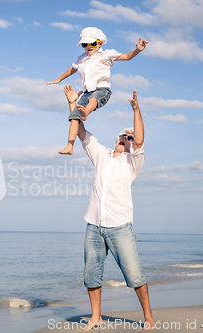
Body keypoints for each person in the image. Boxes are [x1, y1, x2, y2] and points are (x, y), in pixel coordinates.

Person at [62, 84, 155, 330]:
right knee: (91, 275)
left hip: (120, 226)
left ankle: (148, 317)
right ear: (116, 141)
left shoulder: (132, 162)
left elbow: (141, 138)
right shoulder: (101, 154)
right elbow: (81, 130)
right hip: (94, 224)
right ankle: (96, 318)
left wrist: (136, 109)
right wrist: (73, 102)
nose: (125, 138)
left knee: (135, 275)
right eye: (122, 136)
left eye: (129, 137)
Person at [47, 27, 148, 155]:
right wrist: (59, 79)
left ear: (100, 43)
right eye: (85, 45)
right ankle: (70, 146)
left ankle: (86, 113)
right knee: (74, 117)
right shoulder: (81, 58)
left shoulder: (107, 54)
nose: (89, 47)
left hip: (102, 89)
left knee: (93, 99)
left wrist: (138, 50)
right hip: (87, 92)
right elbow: (72, 69)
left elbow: (127, 57)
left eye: (92, 43)